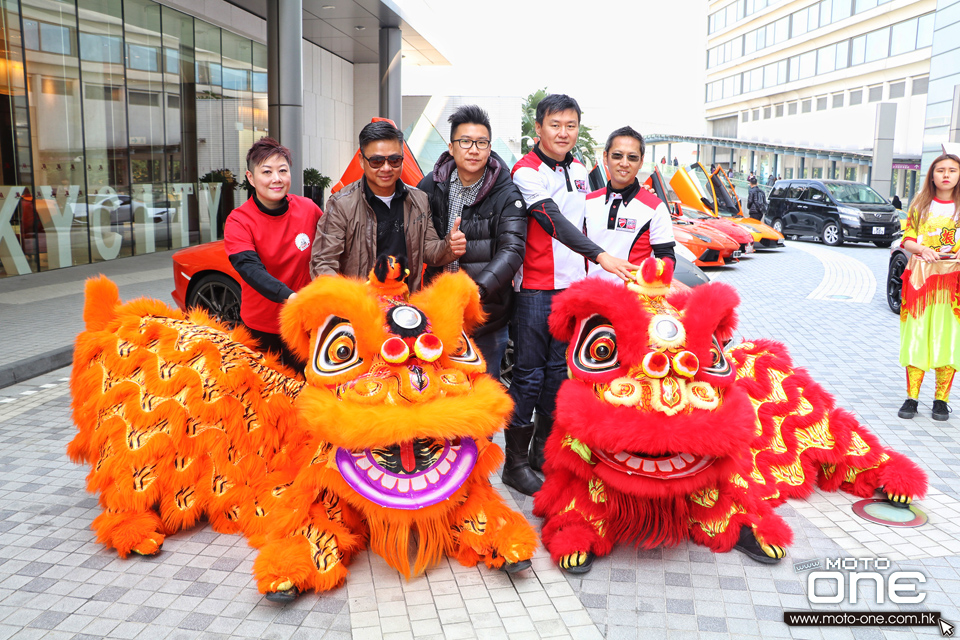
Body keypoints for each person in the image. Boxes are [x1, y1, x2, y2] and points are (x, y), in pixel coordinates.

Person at [505, 94, 637, 495]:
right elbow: (552, 220)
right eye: (555, 124)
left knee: (558, 376)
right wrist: (601, 257)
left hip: (572, 292)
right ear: (538, 127)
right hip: (534, 290)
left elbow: (592, 218)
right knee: (527, 378)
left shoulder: (580, 168)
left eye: (571, 125)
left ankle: (544, 455)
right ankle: (514, 464)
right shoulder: (526, 171)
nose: (563, 132)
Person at [418, 105, 526, 380]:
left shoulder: (506, 191)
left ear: (489, 148)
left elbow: (512, 249)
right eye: (465, 142)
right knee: (440, 391)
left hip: (486, 313)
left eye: (481, 143)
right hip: (438, 312)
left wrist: (478, 291)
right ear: (451, 147)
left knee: (482, 392)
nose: (473, 149)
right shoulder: (431, 186)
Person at [310, 121, 466, 289]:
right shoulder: (341, 204)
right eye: (376, 161)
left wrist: (448, 246)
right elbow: (323, 262)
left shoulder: (419, 200)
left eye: (394, 160)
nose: (386, 168)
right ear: (362, 161)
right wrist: (348, 301)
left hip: (405, 308)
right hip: (361, 308)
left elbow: (429, 250)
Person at [224, 137, 322, 373]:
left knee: (308, 392)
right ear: (251, 177)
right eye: (266, 172)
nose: (276, 179)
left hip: (306, 323)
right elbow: (250, 268)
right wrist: (290, 297)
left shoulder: (309, 209)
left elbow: (333, 250)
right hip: (263, 328)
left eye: (282, 170)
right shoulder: (239, 220)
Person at [897, 153, 960, 421]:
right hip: (920, 281)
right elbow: (907, 239)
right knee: (917, 336)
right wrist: (922, 248)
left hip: (952, 283)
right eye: (940, 170)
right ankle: (911, 398)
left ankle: (941, 400)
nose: (946, 175)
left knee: (948, 338)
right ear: (931, 175)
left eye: (953, 170)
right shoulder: (919, 206)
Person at [584, 126, 675, 283]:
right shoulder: (587, 202)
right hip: (588, 300)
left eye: (632, 157)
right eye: (617, 156)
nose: (624, 163)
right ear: (605, 158)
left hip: (633, 302)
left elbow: (667, 260)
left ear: (641, 162)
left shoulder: (656, 207)